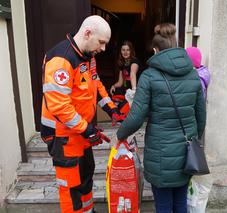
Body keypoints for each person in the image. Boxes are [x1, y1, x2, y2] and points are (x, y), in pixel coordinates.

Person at [116, 23, 206, 213]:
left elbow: (136, 116)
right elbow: (201, 116)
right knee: (181, 202)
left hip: (160, 152)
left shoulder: (149, 76)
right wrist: (192, 138)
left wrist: (120, 135)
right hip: (186, 151)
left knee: (163, 205)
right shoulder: (193, 75)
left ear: (155, 50)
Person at [40, 15, 123, 213]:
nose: (103, 49)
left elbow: (96, 85)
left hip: (80, 134)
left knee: (85, 178)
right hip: (64, 137)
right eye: (101, 42)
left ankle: (87, 211)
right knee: (71, 187)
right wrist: (86, 129)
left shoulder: (88, 56)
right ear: (87, 33)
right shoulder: (61, 59)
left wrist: (111, 108)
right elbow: (59, 106)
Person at [109, 40, 140, 116]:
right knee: (113, 95)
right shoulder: (122, 64)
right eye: (123, 50)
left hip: (136, 91)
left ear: (131, 51)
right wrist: (113, 86)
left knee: (123, 110)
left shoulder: (134, 62)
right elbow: (120, 82)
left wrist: (134, 90)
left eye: (128, 50)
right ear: (120, 51)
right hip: (126, 91)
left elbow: (132, 75)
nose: (125, 52)